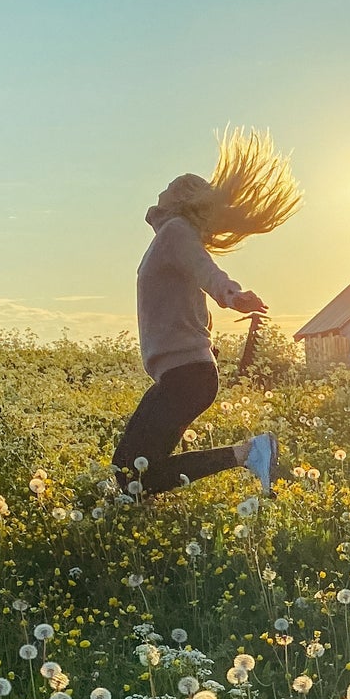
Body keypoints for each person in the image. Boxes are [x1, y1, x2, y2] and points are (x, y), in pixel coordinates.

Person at [114, 127, 298, 498]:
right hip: (182, 374)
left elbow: (206, 271)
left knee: (132, 474)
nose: (160, 191)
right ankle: (247, 453)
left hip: (187, 375)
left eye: (169, 186)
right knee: (130, 471)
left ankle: (249, 453)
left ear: (180, 197)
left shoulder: (176, 233)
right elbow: (189, 295)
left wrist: (230, 293)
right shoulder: (170, 238)